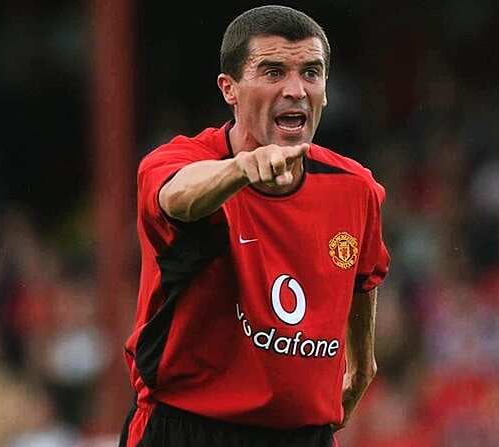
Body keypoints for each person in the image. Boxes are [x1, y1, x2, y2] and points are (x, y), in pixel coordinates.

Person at [120, 5, 390, 447]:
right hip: (188, 428)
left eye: (311, 72)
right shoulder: (185, 162)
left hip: (303, 437)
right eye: (273, 72)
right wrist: (242, 170)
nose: (296, 90)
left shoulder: (355, 188)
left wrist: (362, 362)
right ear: (229, 89)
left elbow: (367, 274)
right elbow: (177, 197)